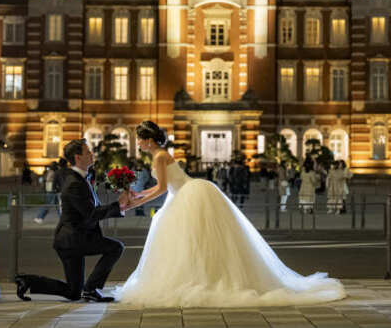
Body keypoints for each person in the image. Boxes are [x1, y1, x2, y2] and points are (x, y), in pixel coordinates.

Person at [116, 120, 345, 307]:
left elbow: (162, 188)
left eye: (139, 139)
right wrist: (136, 196)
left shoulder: (159, 156)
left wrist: (136, 201)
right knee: (200, 243)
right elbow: (165, 187)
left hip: (186, 195)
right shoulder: (161, 155)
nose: (138, 143)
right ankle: (205, 278)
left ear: (148, 140)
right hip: (185, 193)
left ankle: (201, 279)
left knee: (191, 243)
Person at [16, 138, 132, 303]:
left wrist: (121, 207)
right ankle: (91, 289)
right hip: (72, 240)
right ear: (78, 158)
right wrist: (118, 205)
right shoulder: (74, 183)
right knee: (115, 247)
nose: (92, 154)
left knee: (73, 292)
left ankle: (28, 281)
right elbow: (91, 213)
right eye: (87, 152)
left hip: (71, 239)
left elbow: (93, 210)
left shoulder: (81, 179)